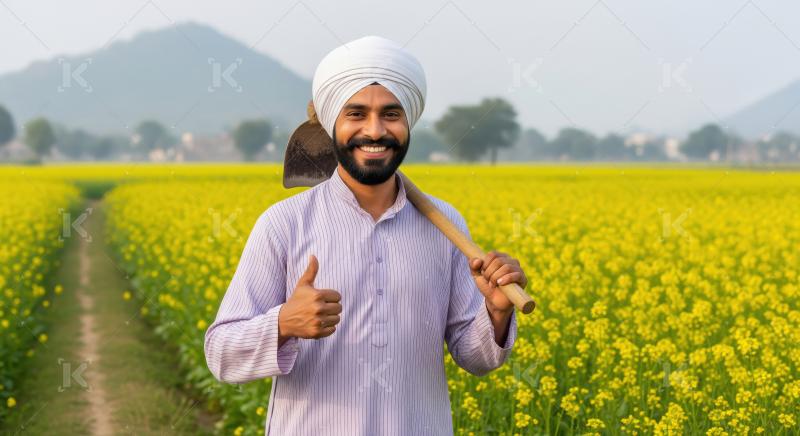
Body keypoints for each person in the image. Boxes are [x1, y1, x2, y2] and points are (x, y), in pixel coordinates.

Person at [204, 35, 529, 435]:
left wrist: (496, 312)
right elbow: (221, 355)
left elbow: (476, 357)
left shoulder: (446, 224)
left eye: (391, 114)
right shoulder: (284, 224)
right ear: (331, 123)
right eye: (356, 114)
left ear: (408, 122)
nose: (375, 131)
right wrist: (283, 323)